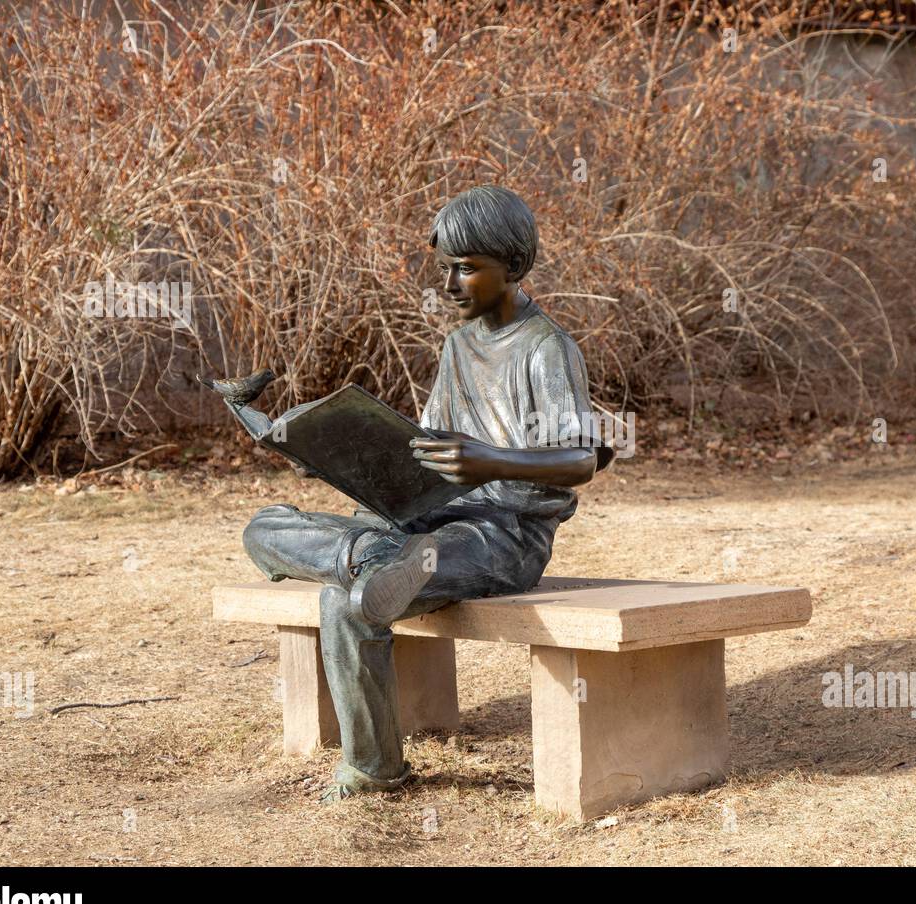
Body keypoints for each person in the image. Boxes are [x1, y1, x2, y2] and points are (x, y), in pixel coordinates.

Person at [206, 185, 613, 802]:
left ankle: (373, 768)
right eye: (446, 268)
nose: (450, 284)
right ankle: (372, 557)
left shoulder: (545, 347)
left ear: (515, 267)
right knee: (263, 528)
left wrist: (487, 462)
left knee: (352, 603)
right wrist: (343, 460)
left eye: (467, 268)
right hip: (428, 515)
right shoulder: (457, 346)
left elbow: (583, 458)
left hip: (503, 534)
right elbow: (422, 447)